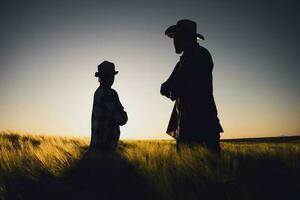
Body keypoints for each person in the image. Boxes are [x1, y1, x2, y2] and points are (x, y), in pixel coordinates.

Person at [160, 19, 223, 153]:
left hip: (201, 122)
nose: (174, 41)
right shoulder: (185, 59)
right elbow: (167, 85)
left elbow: (179, 87)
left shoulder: (200, 56)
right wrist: (169, 88)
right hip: (186, 122)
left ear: (184, 37)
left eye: (176, 37)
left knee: (208, 167)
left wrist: (171, 90)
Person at [90, 61, 128, 151]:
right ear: (111, 77)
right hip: (106, 147)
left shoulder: (98, 92)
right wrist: (124, 114)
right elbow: (121, 119)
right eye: (112, 76)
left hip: (97, 147)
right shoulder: (110, 93)